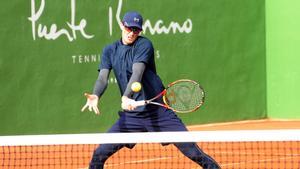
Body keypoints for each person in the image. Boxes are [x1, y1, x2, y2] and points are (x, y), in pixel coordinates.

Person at [81, 11, 221, 169]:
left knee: (193, 152)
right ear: (121, 25)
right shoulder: (109, 50)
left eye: (136, 30)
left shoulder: (144, 45)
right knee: (99, 153)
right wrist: (96, 94)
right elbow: (102, 78)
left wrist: (126, 97)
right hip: (132, 116)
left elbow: (137, 73)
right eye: (128, 28)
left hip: (159, 112)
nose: (131, 33)